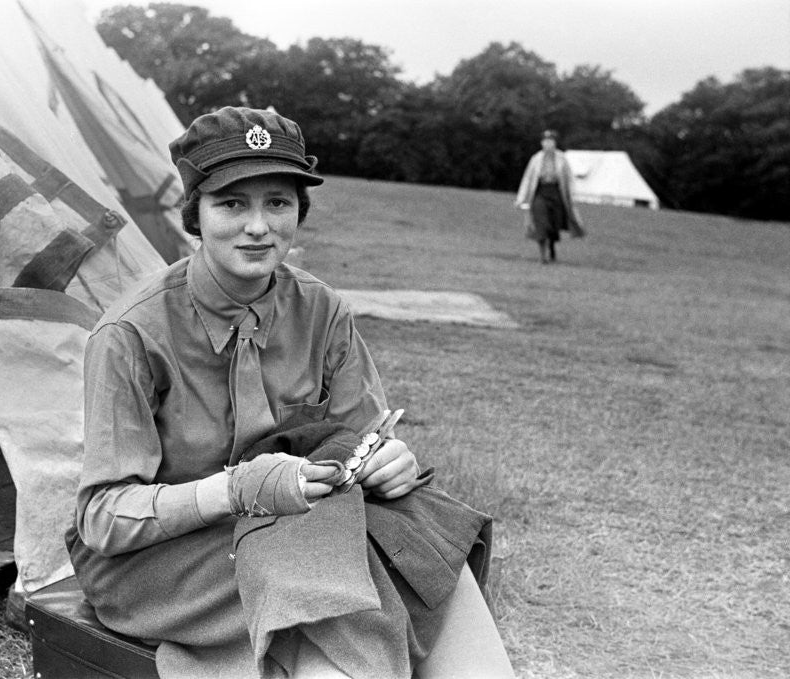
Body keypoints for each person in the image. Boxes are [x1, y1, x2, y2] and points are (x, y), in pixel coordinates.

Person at [67, 106, 515, 678]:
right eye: (232, 204)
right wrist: (233, 491)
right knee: (340, 583)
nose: (259, 226)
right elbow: (102, 517)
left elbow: (363, 441)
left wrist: (391, 463)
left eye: (278, 203)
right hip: (162, 557)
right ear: (195, 214)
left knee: (425, 545)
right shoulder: (130, 334)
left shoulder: (322, 310)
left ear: (299, 211)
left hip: (300, 528)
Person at [515, 129, 585, 263]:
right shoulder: (536, 159)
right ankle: (543, 256)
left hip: (556, 192)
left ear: (555, 143)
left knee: (553, 224)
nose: (548, 144)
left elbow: (569, 179)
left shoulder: (561, 158)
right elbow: (527, 178)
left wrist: (573, 196)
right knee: (541, 223)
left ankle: (551, 246)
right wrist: (521, 198)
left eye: (550, 141)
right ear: (542, 143)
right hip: (540, 192)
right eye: (545, 141)